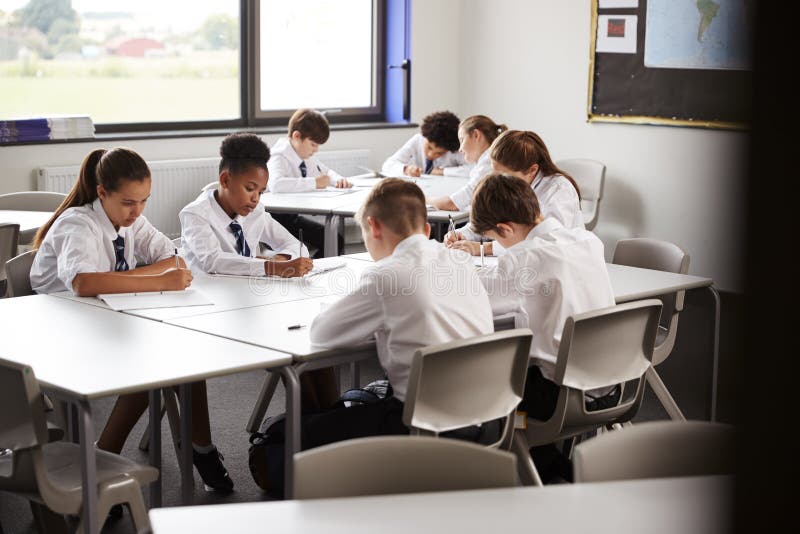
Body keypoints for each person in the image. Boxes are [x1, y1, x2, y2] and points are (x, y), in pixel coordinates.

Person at [251, 178, 494, 495]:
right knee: (330, 418)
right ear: (424, 227)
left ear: (373, 226)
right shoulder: (461, 262)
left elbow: (323, 334)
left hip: (414, 424)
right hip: (486, 416)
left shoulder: (388, 274)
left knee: (274, 445)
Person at [30, 147, 234, 501]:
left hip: (104, 319)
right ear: (102, 193)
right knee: (153, 364)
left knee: (185, 355)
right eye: (128, 202)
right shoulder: (77, 223)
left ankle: (199, 447)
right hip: (57, 334)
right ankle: (103, 459)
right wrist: (157, 279)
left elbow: (174, 258)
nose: (137, 211)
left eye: (144, 201)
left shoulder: (130, 219)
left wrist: (150, 274)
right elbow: (85, 282)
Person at [470, 173, 618, 481]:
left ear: (505, 228)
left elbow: (476, 299)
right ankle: (555, 470)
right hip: (612, 383)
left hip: (555, 397)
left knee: (473, 382)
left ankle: (520, 469)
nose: (499, 246)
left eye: (497, 239)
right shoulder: (588, 241)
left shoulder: (526, 258)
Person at [181, 132, 338, 412]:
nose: (255, 199)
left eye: (261, 192)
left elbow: (296, 245)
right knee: (298, 347)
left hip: (250, 303)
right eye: (250, 188)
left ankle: (322, 423)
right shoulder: (195, 214)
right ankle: (319, 424)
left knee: (310, 342)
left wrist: (284, 258)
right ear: (226, 180)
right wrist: (271, 265)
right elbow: (213, 262)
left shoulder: (256, 212)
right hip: (209, 313)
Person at [446, 129, 584, 256]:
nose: (498, 180)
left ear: (532, 171)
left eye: (505, 174)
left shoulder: (558, 190)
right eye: (494, 172)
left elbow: (546, 243)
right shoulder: (507, 184)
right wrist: (463, 234)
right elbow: (489, 216)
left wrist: (483, 248)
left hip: (559, 261)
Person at [267, 108, 350, 257]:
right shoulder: (278, 156)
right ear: (297, 136)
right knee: (326, 242)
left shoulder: (304, 155)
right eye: (313, 144)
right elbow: (276, 184)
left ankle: (313, 269)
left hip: (291, 218)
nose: (316, 150)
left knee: (335, 240)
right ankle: (310, 270)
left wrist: (338, 180)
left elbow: (325, 172)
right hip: (275, 221)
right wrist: (314, 183)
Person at [428, 114, 508, 210]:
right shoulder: (485, 161)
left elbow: (451, 204)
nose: (460, 149)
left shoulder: (489, 164)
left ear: (476, 135)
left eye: (462, 140)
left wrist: (424, 199)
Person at [381, 110, 469, 177]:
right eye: (429, 147)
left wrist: (442, 172)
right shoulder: (418, 140)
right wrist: (406, 169)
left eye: (439, 153)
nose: (430, 155)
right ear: (425, 136)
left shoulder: (455, 148)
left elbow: (474, 169)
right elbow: (387, 165)